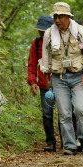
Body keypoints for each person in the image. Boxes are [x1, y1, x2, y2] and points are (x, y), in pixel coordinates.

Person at [40, 2, 83, 155]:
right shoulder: (49, 33)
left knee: (81, 108)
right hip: (59, 77)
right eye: (55, 16)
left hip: (78, 75)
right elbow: (46, 56)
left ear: (68, 17)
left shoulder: (80, 31)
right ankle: (69, 145)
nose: (57, 20)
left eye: (61, 16)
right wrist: (46, 77)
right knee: (64, 113)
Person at [27, 15, 58, 152]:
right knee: (47, 114)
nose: (42, 33)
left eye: (44, 31)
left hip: (60, 82)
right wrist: (32, 81)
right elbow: (32, 63)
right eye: (40, 31)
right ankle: (50, 142)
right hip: (44, 85)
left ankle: (68, 141)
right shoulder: (37, 43)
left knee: (65, 113)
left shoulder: (59, 41)